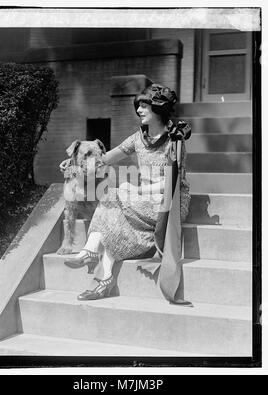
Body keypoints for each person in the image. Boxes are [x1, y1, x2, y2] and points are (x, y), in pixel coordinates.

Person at [63, 83, 191, 302]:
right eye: (138, 106)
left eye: (144, 107)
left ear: (158, 109)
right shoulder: (137, 139)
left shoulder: (174, 140)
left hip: (169, 202)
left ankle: (90, 251)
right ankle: (102, 276)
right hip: (142, 201)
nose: (139, 111)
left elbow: (173, 182)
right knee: (112, 204)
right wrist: (72, 164)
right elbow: (102, 159)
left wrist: (136, 189)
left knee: (116, 193)